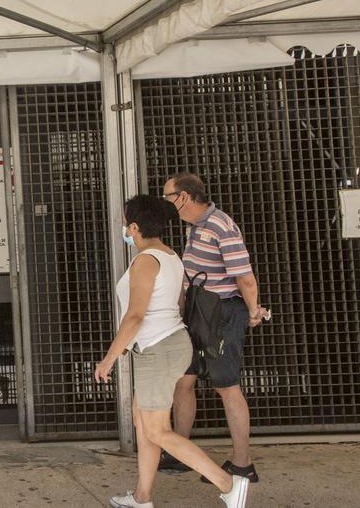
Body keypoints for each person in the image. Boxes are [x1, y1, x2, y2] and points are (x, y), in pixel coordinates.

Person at [95, 195, 250, 508]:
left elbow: (135, 316)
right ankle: (142, 497)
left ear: (134, 226)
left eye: (125, 222)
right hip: (169, 344)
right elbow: (177, 305)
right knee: (145, 424)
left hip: (158, 350)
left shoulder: (145, 262)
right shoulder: (170, 256)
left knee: (157, 430)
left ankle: (229, 484)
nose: (123, 227)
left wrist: (109, 358)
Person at [159, 173, 267, 483]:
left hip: (221, 315)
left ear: (185, 197)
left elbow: (244, 277)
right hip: (199, 313)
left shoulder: (220, 225)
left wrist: (253, 311)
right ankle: (181, 451)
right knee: (184, 380)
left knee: (226, 386)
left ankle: (243, 464)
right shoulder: (196, 226)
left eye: (168, 195)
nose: (165, 201)